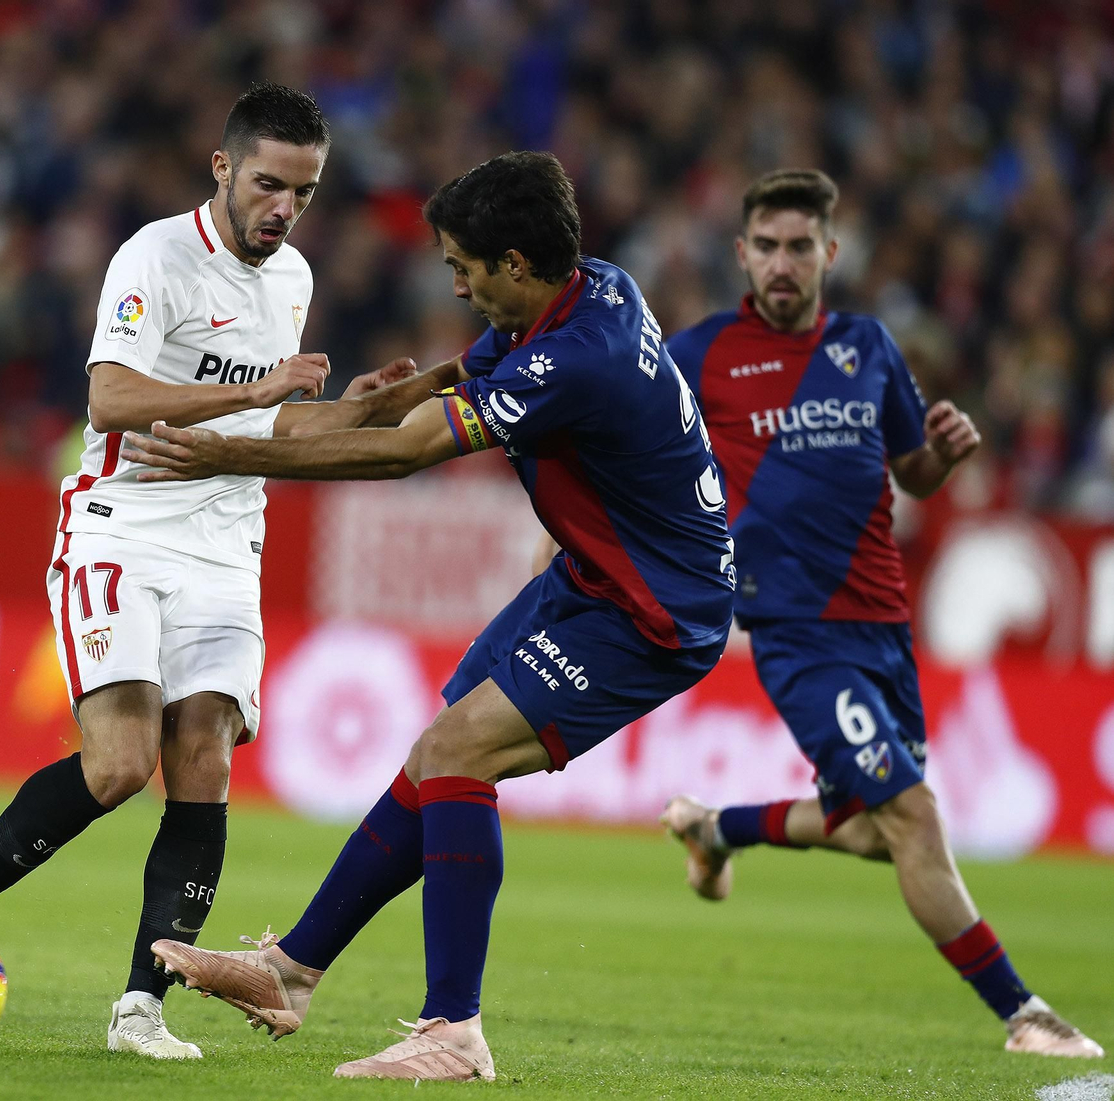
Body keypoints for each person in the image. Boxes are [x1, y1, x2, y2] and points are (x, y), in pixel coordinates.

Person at [123, 151, 737, 1081]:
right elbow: (460, 376)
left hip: (654, 608)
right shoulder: (594, 290)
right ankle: (290, 970)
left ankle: (454, 1028)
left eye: (464, 265)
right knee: (438, 751)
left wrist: (227, 455)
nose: (453, 281)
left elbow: (401, 458)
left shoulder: (577, 357)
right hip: (596, 577)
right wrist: (387, 397)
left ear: (517, 264)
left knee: (459, 752)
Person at [0, 83, 427, 1061]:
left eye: (304, 194)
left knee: (202, 764)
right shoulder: (154, 257)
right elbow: (108, 399)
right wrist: (267, 387)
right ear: (224, 168)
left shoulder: (292, 281)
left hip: (228, 546)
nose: (283, 209)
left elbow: (266, 426)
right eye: (269, 184)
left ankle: (141, 1009)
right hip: (124, 527)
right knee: (117, 766)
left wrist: (352, 410)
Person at [658, 169, 1101, 1059]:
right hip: (795, 631)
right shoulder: (699, 354)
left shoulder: (866, 347)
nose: (783, 263)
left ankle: (713, 827)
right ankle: (1025, 1013)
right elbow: (637, 458)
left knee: (868, 827)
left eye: (800, 246)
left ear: (831, 251)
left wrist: (942, 454)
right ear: (742, 253)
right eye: (767, 247)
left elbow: (914, 474)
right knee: (913, 817)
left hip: (884, 626)